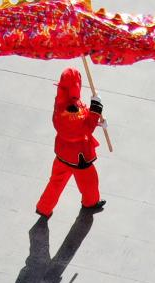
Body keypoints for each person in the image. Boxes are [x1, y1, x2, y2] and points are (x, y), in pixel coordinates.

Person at [36, 68, 107, 218]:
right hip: (79, 156)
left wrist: (96, 119)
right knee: (89, 182)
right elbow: (84, 128)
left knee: (56, 182)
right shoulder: (71, 107)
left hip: (63, 153)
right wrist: (96, 108)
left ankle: (44, 207)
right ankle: (90, 202)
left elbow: (79, 121)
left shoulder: (62, 101)